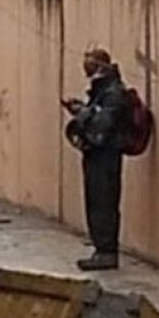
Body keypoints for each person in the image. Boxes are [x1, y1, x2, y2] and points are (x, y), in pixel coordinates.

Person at [62, 47, 129, 271]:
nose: (85, 68)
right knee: (95, 201)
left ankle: (107, 251)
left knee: (104, 202)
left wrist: (82, 113)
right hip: (96, 154)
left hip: (106, 155)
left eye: (89, 63)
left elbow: (104, 123)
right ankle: (101, 248)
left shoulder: (113, 92)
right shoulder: (101, 91)